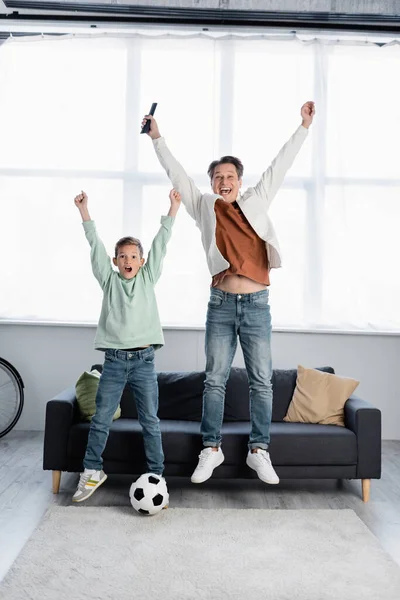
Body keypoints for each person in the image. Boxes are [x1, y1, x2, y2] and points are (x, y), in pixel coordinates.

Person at [142, 102, 315, 485]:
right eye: (217, 176)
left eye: (230, 176)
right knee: (214, 379)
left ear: (240, 179)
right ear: (212, 183)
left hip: (257, 305)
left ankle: (259, 450)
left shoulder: (257, 199)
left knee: (262, 382)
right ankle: (211, 449)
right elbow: (177, 174)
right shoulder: (205, 206)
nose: (224, 181)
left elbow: (280, 164)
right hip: (220, 305)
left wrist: (302, 127)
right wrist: (157, 138)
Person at [72, 188, 181, 502]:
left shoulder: (148, 278)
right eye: (123, 256)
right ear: (115, 261)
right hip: (115, 361)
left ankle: (157, 476)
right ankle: (92, 471)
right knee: (101, 418)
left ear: (142, 261)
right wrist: (84, 212)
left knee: (150, 420)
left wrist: (172, 209)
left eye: (134, 256)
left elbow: (161, 244)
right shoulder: (109, 280)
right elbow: (95, 246)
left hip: (144, 360)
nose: (128, 260)